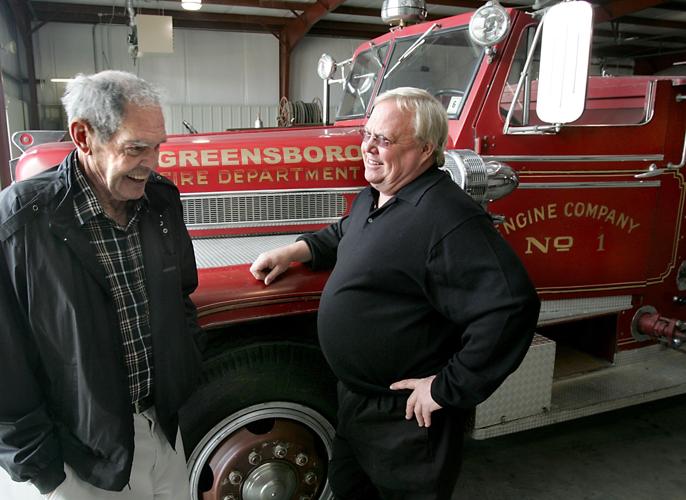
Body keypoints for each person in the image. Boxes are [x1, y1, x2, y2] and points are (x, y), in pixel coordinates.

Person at [250, 87, 540, 499]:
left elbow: (512, 307)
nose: (368, 147)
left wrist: (445, 388)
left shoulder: (447, 218)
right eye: (367, 135)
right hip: (356, 405)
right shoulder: (376, 196)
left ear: (425, 149)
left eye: (383, 140)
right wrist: (297, 250)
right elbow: (348, 233)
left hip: (405, 419)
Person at [0, 70, 204, 499]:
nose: (152, 163)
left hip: (162, 429)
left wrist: (181, 372)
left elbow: (181, 296)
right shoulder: (20, 222)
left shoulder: (161, 202)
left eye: (158, 147)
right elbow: (5, 361)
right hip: (79, 456)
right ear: (83, 136)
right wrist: (41, 469)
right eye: (136, 148)